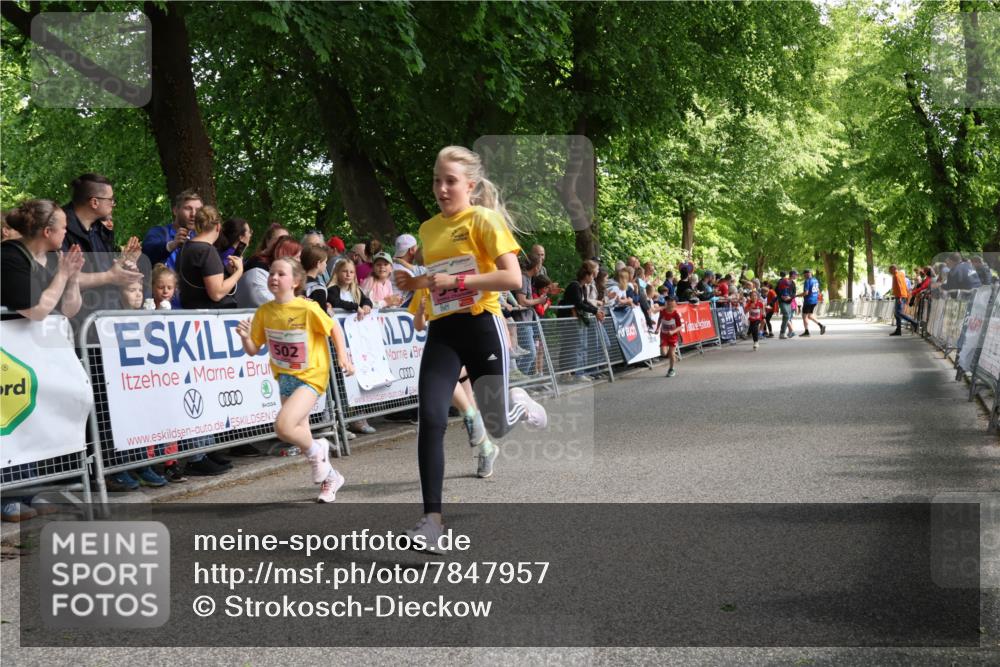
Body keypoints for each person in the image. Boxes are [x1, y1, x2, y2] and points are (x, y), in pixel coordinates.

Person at [394, 145, 548, 552]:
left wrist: (459, 285)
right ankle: (432, 523)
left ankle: (519, 402)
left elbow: (513, 278)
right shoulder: (427, 229)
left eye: (450, 181)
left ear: (470, 185)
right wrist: (417, 294)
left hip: (482, 324)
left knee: (496, 425)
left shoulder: (484, 219)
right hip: (445, 330)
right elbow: (434, 278)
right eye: (436, 180)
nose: (441, 189)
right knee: (431, 418)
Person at [236, 257, 355, 503]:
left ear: (296, 281)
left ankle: (319, 449)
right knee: (300, 432)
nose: (274, 277)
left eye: (281, 274)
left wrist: (343, 357)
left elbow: (334, 328)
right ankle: (330, 478)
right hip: (285, 378)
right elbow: (253, 348)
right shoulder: (265, 312)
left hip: (311, 376)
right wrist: (245, 337)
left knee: (283, 426)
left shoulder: (307, 308)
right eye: (271, 273)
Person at [62, 173, 143, 324]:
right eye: (111, 199)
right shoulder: (60, 231)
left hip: (107, 320)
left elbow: (107, 270)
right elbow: (58, 278)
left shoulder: (100, 230)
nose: (113, 204)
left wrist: (125, 264)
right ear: (94, 202)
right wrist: (109, 276)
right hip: (76, 324)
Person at [0, 200, 84, 321]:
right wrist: (63, 274)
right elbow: (36, 312)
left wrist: (73, 278)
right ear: (47, 232)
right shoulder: (9, 258)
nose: (66, 232)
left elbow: (69, 311)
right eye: (64, 227)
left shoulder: (54, 257)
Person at [327, 258, 376, 436]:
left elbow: (367, 301)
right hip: (339, 344)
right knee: (340, 383)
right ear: (337, 273)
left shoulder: (357, 290)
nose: (348, 275)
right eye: (344, 271)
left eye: (351, 272)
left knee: (357, 380)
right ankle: (341, 423)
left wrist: (365, 306)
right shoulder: (332, 290)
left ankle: (358, 418)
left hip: (356, 344)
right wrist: (356, 307)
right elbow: (336, 303)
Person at [176, 206, 243, 309]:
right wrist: (238, 272)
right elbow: (217, 294)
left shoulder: (184, 248)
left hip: (190, 311)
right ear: (218, 227)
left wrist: (229, 273)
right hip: (211, 317)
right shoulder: (207, 251)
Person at [142, 189, 203, 269]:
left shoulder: (201, 237)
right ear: (175, 211)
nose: (193, 214)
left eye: (198, 210)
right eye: (188, 208)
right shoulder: (159, 232)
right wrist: (171, 245)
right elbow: (146, 254)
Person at [237, 223, 289, 307]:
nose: (283, 244)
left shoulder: (280, 266)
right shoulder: (257, 265)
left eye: (287, 240)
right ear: (268, 241)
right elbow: (262, 298)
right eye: (279, 240)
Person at [391, 233, 424, 307]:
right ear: (412, 250)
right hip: (400, 308)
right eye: (416, 247)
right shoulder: (406, 272)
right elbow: (421, 293)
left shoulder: (391, 265)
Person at [888, 264, 918, 336]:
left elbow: (900, 286)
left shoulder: (896, 275)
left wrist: (901, 297)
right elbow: (904, 285)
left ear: (893, 269)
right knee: (896, 313)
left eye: (890, 270)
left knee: (899, 313)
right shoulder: (901, 274)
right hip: (901, 295)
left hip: (900, 296)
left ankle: (913, 322)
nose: (889, 272)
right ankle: (898, 330)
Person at [797, 269, 827, 336]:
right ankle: (821, 325)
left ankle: (806, 332)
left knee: (804, 316)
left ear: (806, 274)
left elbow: (806, 293)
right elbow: (818, 290)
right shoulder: (815, 280)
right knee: (810, 316)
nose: (804, 276)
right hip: (814, 300)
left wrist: (796, 295)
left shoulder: (807, 281)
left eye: (804, 274)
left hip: (808, 301)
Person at [658, 296, 682, 376]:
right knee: (663, 353)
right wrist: (657, 328)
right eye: (667, 301)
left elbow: (680, 326)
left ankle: (671, 369)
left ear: (674, 303)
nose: (668, 302)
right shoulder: (662, 312)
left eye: (671, 301)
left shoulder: (676, 314)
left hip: (673, 336)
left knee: (671, 353)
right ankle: (673, 355)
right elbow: (659, 319)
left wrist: (672, 331)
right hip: (664, 335)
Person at [776, 271, 797, 339]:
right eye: (795, 275)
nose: (796, 276)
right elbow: (776, 290)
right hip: (782, 301)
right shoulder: (781, 281)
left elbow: (794, 293)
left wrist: (790, 297)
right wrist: (781, 296)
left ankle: (787, 332)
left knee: (787, 317)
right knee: (786, 315)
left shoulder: (793, 283)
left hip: (789, 302)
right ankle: (782, 333)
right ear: (792, 275)